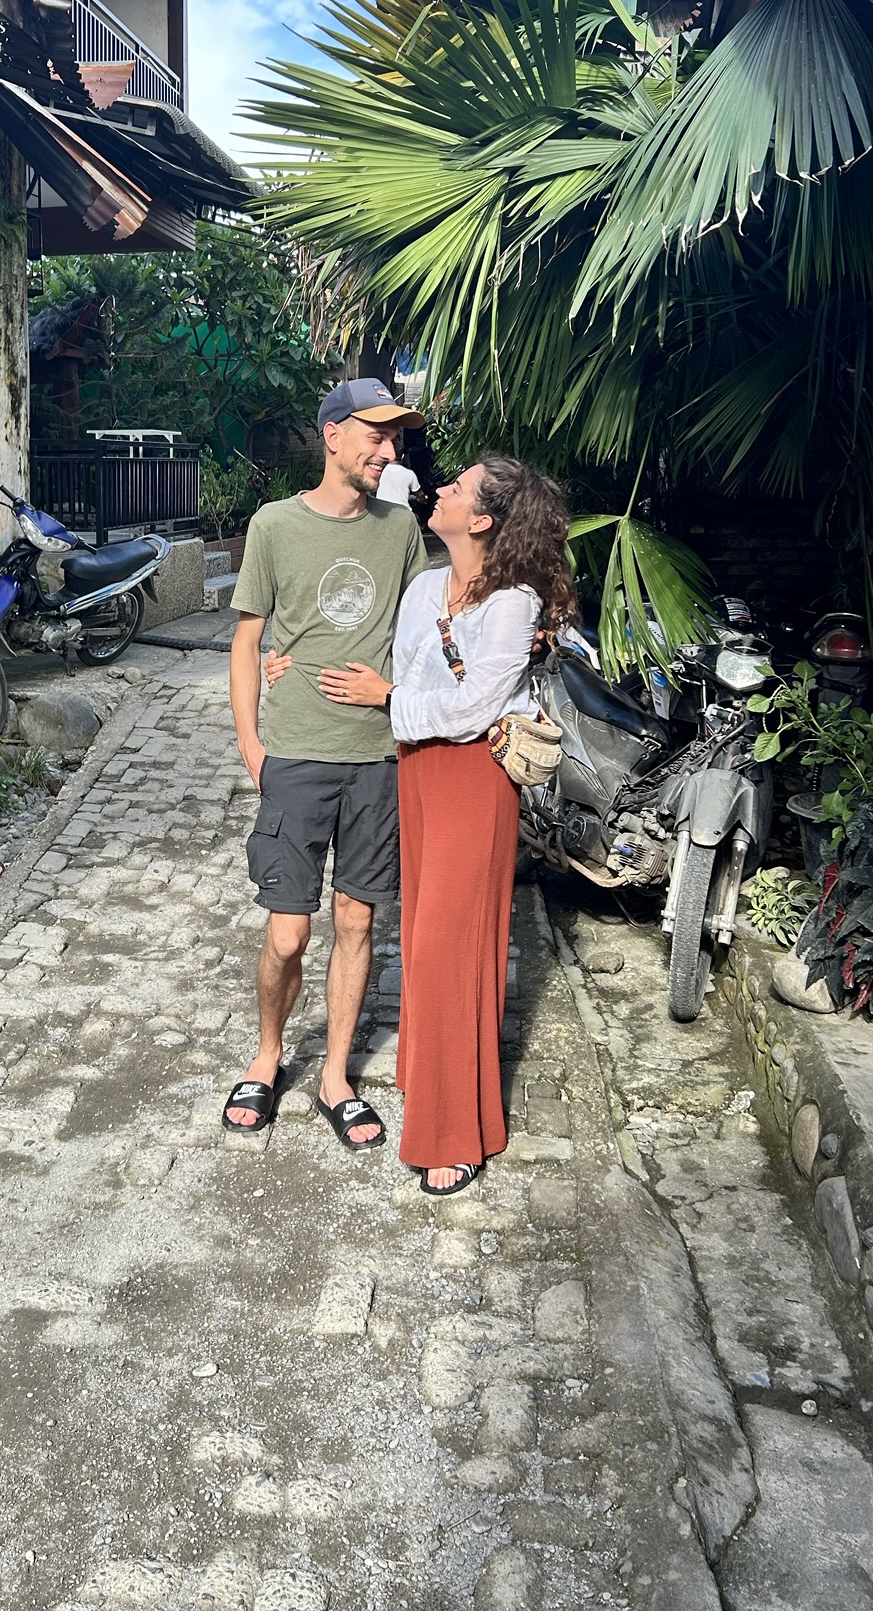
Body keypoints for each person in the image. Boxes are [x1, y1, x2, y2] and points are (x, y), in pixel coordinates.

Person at [313, 457, 577, 1194]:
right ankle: (433, 1078)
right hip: (418, 770)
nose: (442, 490)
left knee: (447, 950)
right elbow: (407, 675)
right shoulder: (427, 587)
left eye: (458, 488)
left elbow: (473, 710)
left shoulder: (514, 603)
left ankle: (454, 1130)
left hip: (473, 780)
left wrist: (390, 700)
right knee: (421, 936)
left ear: (483, 520)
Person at [222, 379, 429, 1151]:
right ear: (333, 434)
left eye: (395, 438)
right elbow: (248, 641)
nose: (389, 451)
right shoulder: (275, 525)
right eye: (377, 435)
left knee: (357, 921)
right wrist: (253, 745)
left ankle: (336, 1075)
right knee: (287, 934)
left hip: (376, 758)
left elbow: (422, 631)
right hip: (297, 754)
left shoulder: (400, 529)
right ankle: (268, 1054)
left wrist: (397, 693)